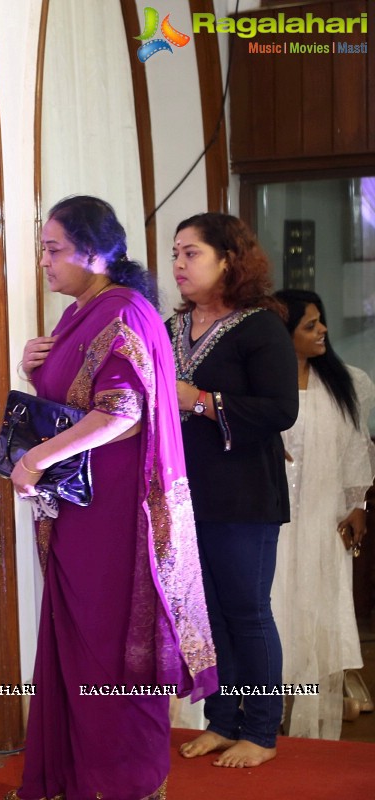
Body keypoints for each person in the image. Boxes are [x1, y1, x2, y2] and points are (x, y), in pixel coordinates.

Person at [9, 196, 217, 800]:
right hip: (82, 508)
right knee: (79, 642)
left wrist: (35, 458)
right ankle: (76, 780)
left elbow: (121, 414)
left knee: (110, 649)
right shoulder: (84, 311)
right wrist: (33, 366)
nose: (44, 262)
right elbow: (73, 397)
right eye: (42, 249)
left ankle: (125, 784)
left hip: (115, 513)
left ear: (95, 253)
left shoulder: (122, 313)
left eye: (54, 249)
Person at [168, 213, 298, 768]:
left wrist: (197, 399)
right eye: (175, 253)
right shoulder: (171, 327)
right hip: (183, 495)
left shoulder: (260, 325)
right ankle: (223, 720)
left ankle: (263, 731)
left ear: (229, 260)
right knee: (208, 615)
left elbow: (280, 410)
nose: (178, 264)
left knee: (248, 612)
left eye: (192, 253)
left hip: (244, 494)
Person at [270, 289, 374, 738]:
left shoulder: (348, 382)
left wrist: (358, 504)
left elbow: (357, 447)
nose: (322, 330)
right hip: (269, 520)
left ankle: (312, 726)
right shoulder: (260, 385)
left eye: (321, 321)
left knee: (317, 609)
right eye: (310, 325)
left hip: (323, 518)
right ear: (283, 333)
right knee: (271, 612)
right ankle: (262, 715)